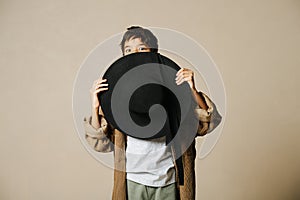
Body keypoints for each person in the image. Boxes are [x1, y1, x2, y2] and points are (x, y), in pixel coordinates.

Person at [84, 26, 222, 200]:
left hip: (169, 180)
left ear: (153, 52)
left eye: (141, 48)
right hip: (132, 181)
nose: (135, 53)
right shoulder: (117, 98)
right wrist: (96, 106)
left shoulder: (173, 89)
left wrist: (192, 90)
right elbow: (100, 144)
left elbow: (207, 124)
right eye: (128, 50)